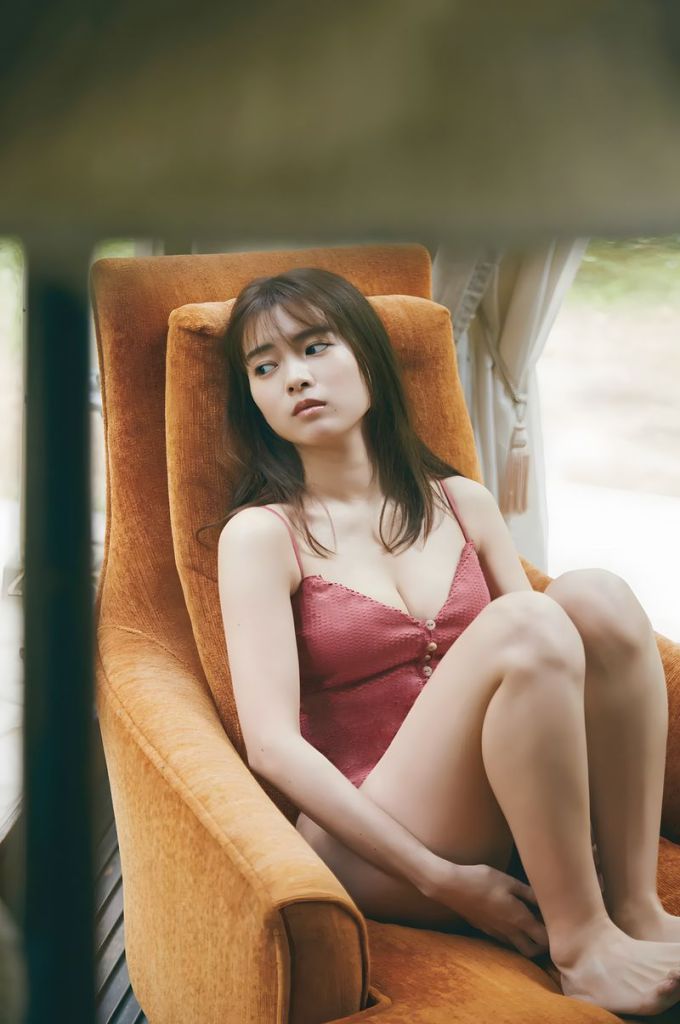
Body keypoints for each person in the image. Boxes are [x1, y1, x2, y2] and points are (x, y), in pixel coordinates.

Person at [213, 266, 680, 1016]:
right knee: (526, 621)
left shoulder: (463, 502)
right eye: (264, 368)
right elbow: (272, 747)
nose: (292, 378)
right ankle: (581, 944)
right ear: (254, 401)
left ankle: (634, 909)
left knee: (594, 594)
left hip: (498, 809)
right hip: (372, 843)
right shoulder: (261, 537)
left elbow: (553, 673)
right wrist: (443, 878)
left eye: (315, 347)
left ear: (368, 357)